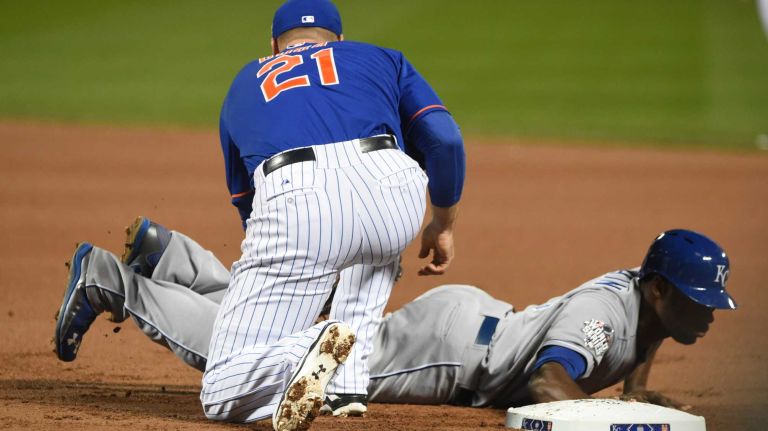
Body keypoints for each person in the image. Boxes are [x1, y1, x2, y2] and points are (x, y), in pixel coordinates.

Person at [53, 0, 465, 428]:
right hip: (393, 186)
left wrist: (295, 268)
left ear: (272, 45)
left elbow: (249, 204)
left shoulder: (244, 82)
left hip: (298, 194)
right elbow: (444, 140)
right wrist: (442, 224)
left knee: (221, 394)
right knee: (375, 243)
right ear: (340, 41)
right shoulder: (380, 57)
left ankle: (302, 349)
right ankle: (346, 383)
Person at [56, 220, 736, 414]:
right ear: (656, 290)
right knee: (276, 363)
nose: (708, 316)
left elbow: (636, 349)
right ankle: (112, 280)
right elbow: (548, 381)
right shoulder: (604, 318)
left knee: (296, 332)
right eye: (698, 303)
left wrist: (640, 394)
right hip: (451, 348)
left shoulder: (639, 309)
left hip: (464, 324)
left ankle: (172, 256)